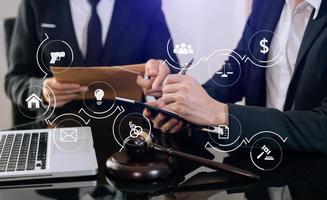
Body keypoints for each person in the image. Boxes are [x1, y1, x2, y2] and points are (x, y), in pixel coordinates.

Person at [137, 0, 327, 153]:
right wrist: (186, 105)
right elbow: (241, 66)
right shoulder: (266, 3)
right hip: (258, 164)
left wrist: (220, 113)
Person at [5, 0, 177, 111]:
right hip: (57, 127)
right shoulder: (36, 4)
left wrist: (161, 81)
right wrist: (41, 90)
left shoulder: (146, 5)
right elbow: (14, 80)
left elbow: (171, 70)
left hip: (127, 127)